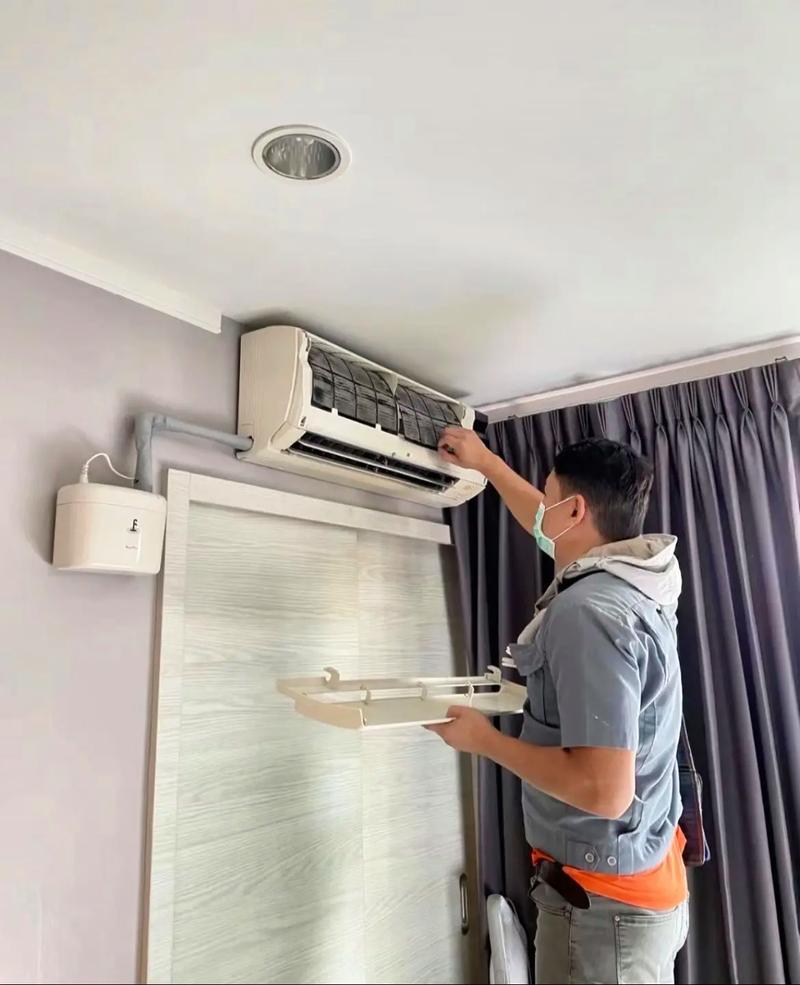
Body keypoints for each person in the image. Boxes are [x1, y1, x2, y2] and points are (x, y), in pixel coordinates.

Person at [429, 428, 689, 985]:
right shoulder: (640, 582)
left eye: (550, 498)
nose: (542, 510)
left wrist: (484, 741)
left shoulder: (587, 611)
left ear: (575, 511)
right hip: (639, 883)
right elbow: (548, 528)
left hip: (604, 910)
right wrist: (489, 465)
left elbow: (604, 790)